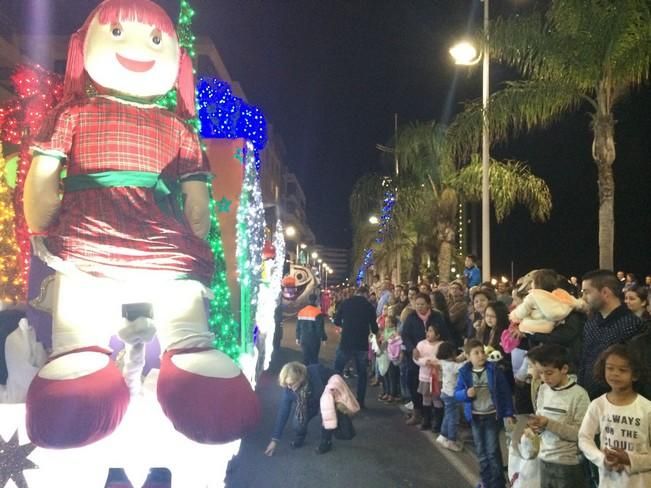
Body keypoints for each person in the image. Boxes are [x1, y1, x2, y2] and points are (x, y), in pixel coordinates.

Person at [578, 344, 651, 487]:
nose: (615, 373)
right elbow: (584, 438)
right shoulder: (598, 405)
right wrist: (602, 458)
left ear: (635, 374)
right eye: (610, 368)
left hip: (640, 482)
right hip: (608, 481)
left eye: (622, 370)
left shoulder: (646, 408)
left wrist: (630, 459)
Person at [527, 344, 590, 488]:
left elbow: (581, 434)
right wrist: (534, 427)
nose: (544, 378)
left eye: (549, 373)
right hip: (544, 459)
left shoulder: (579, 395)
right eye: (541, 373)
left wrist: (547, 423)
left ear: (564, 369)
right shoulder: (543, 389)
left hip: (568, 465)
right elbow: (540, 420)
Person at [455, 338, 514, 488]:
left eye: (482, 352)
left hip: (491, 416)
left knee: (493, 451)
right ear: (468, 356)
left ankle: (498, 483)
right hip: (475, 417)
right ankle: (486, 481)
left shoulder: (494, 370)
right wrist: (466, 393)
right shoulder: (464, 373)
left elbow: (504, 392)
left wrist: (508, 413)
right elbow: (456, 394)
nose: (481, 355)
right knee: (481, 452)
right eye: (476, 353)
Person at [578, 270, 644, 399]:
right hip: (588, 398)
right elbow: (584, 359)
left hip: (619, 401)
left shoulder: (633, 325)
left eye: (587, 292)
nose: (584, 298)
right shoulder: (591, 323)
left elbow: (638, 369)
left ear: (605, 292)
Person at [265, 362, 338, 455]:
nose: (289, 388)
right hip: (307, 405)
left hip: (324, 399)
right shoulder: (288, 390)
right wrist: (274, 440)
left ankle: (326, 441)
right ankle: (300, 436)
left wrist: (334, 390)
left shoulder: (316, 371)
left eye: (291, 384)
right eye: (287, 385)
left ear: (300, 377)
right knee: (298, 424)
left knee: (327, 416)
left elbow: (336, 375)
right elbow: (283, 413)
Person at [401, 293, 449, 425]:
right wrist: (412, 348)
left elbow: (445, 333)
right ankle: (418, 412)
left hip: (434, 358)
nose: (419, 307)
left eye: (422, 304)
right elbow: (405, 335)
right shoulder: (411, 318)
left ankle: (436, 416)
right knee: (414, 383)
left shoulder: (437, 316)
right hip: (416, 356)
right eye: (417, 304)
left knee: (435, 388)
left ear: (429, 304)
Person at [333, 286, 378, 408]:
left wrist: (345, 325)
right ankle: (360, 401)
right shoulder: (369, 307)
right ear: (366, 294)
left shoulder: (346, 303)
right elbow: (374, 327)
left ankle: (335, 396)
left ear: (357, 292)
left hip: (346, 342)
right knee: (362, 374)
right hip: (361, 344)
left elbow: (336, 321)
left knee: (337, 370)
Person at [413, 324, 443, 431]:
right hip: (424, 376)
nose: (428, 333)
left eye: (431, 331)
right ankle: (426, 420)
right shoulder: (421, 344)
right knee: (426, 398)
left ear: (438, 335)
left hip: (437, 378)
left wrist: (432, 361)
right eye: (428, 331)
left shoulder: (441, 345)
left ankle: (438, 422)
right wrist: (425, 361)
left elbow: (441, 359)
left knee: (436, 398)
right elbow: (416, 358)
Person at [436, 341, 466, 451]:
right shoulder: (452, 366)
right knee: (453, 418)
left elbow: (457, 360)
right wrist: (469, 358)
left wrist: (464, 355)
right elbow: (461, 366)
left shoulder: (443, 362)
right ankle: (451, 440)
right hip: (452, 395)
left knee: (448, 416)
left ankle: (443, 435)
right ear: (451, 353)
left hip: (445, 393)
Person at [296, 294, 327, 365]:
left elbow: (298, 326)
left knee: (305, 358)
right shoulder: (318, 312)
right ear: (316, 301)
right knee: (314, 358)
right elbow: (320, 328)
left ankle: (305, 374)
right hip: (314, 340)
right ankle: (313, 374)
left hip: (303, 338)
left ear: (308, 300)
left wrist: (297, 337)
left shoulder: (301, 311)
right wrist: (323, 338)